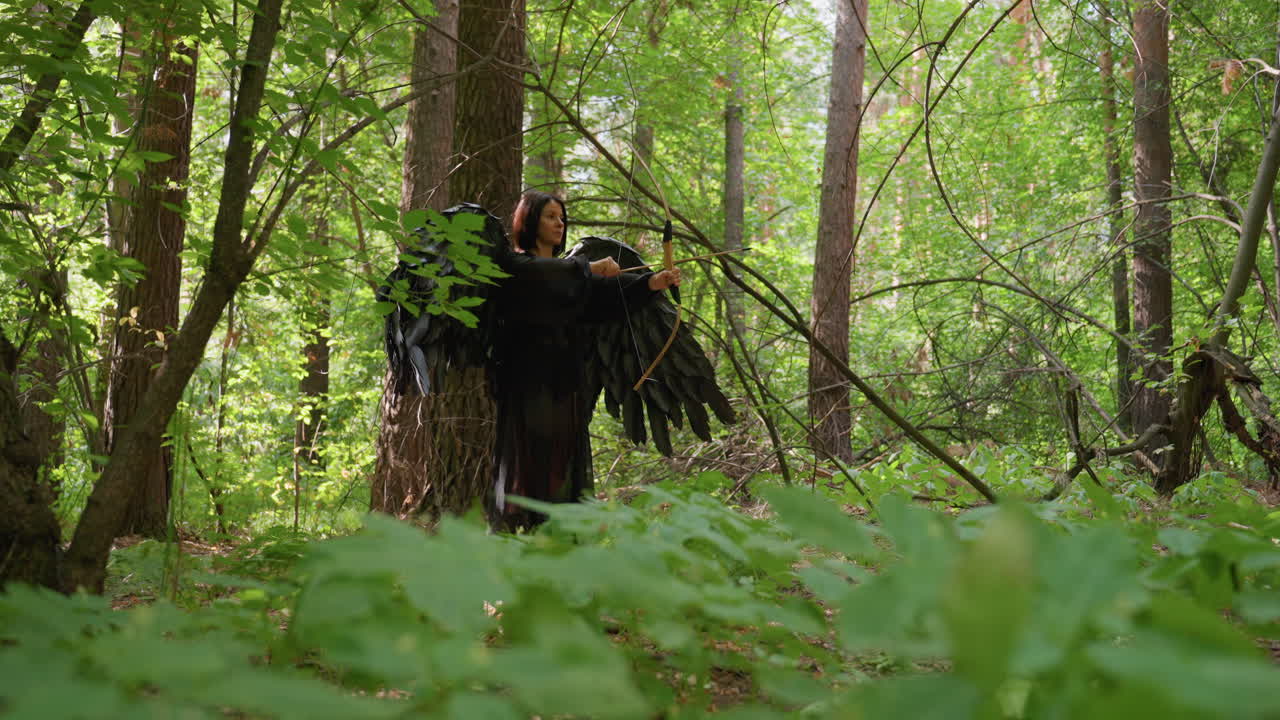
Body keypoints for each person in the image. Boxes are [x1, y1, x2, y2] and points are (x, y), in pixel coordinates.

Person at [489, 190, 681, 530]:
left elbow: (608, 299)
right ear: (529, 220)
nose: (559, 223)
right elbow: (542, 275)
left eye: (562, 217)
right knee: (529, 461)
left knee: (565, 462)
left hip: (566, 381)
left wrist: (653, 282)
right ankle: (522, 534)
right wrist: (588, 268)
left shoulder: (573, 278)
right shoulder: (516, 266)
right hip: (526, 382)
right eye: (550, 216)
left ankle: (562, 537)